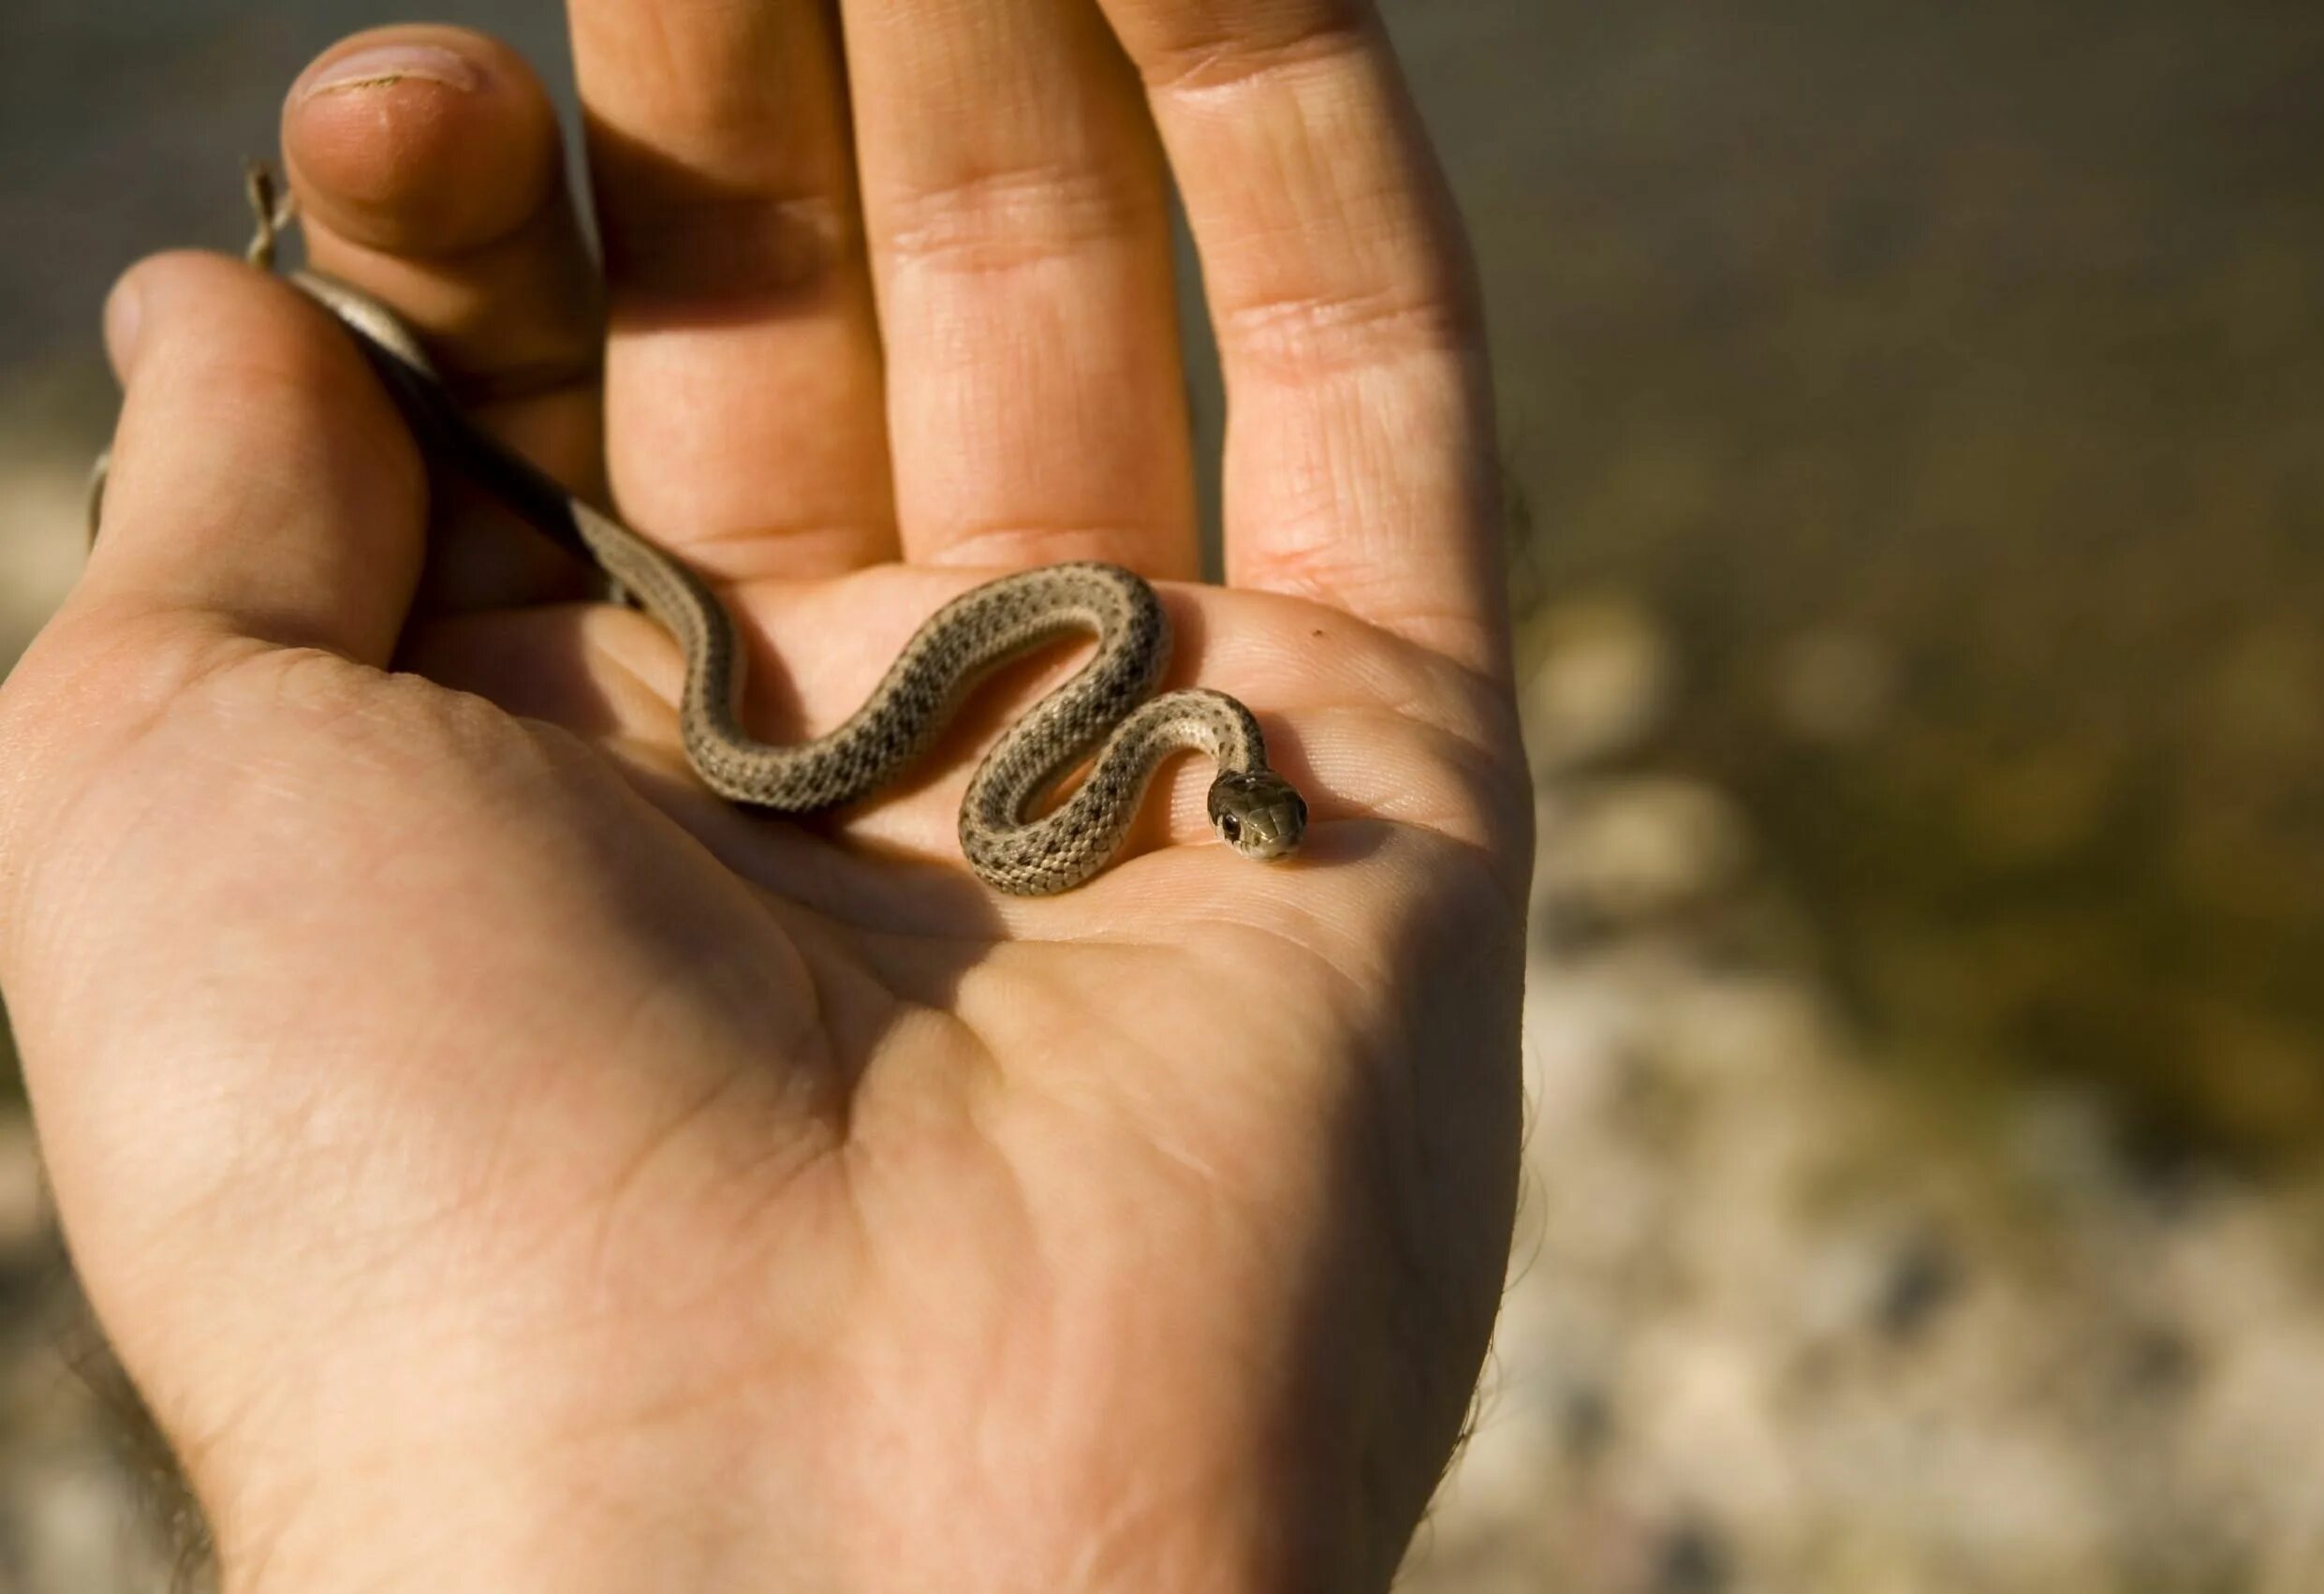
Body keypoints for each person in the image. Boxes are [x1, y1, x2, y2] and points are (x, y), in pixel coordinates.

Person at [0, 2, 1529, 1587]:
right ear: (1235, 792)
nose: (1270, 839)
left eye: (1264, 831)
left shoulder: (1167, 717)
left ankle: (436, 420)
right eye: (1263, 826)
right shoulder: (1142, 722)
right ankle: (413, 402)